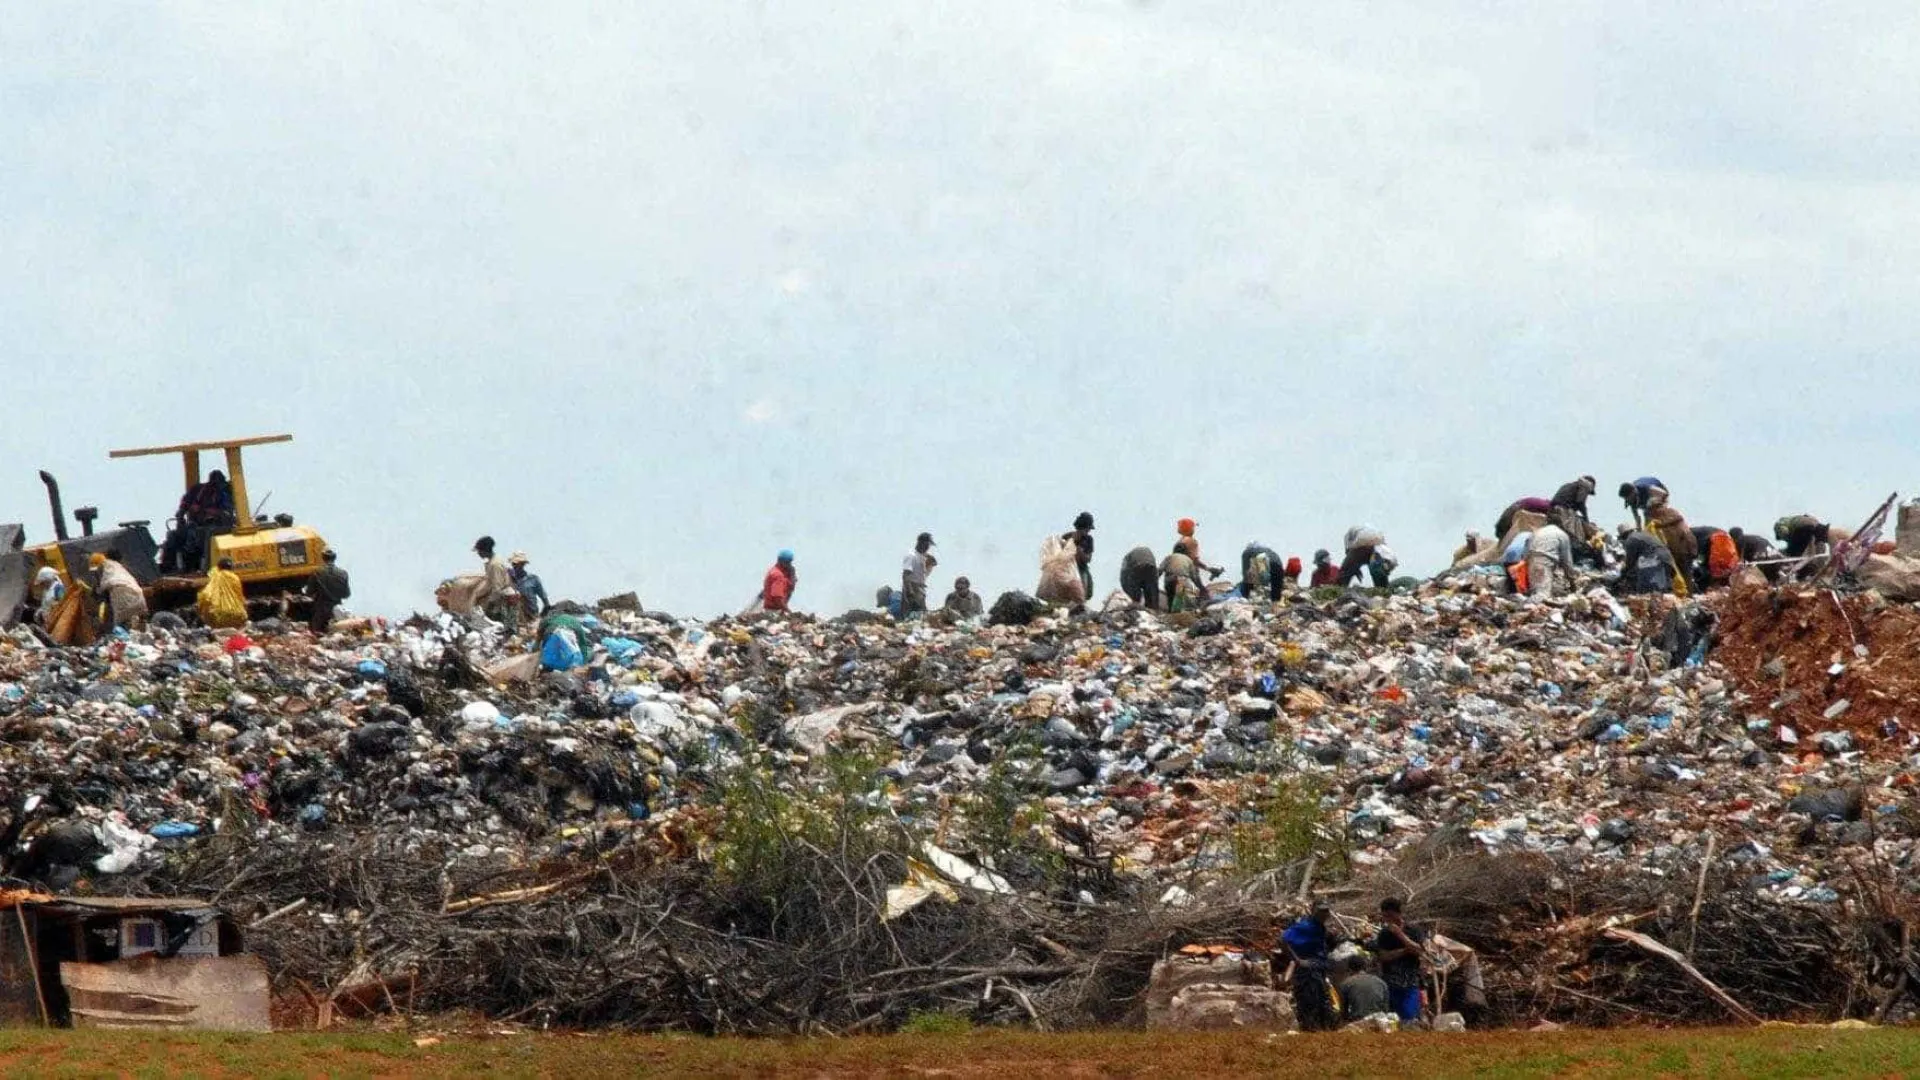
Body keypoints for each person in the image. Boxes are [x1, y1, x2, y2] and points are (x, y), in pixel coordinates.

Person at [1279, 901, 1346, 1032]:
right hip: (1308, 971)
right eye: (1320, 911)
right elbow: (1283, 939)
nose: (1323, 914)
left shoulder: (1319, 927)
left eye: (1326, 911)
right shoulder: (1305, 926)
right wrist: (1298, 960)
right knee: (1309, 1004)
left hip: (1319, 969)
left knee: (1322, 1003)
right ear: (1313, 910)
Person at [159, 470, 236, 573]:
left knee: (194, 536)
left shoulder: (225, 493)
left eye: (216, 482)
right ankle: (167, 568)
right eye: (212, 481)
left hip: (217, 526)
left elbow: (226, 512)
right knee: (173, 536)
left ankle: (193, 567)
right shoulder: (199, 490)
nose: (213, 485)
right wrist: (182, 512)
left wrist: (203, 510)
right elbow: (186, 502)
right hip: (197, 524)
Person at [1372, 898, 1429, 1025]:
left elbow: (1419, 951)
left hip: (1410, 982)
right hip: (1391, 982)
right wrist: (1404, 951)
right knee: (1392, 1019)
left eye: (1390, 916)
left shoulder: (1413, 930)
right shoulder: (1384, 934)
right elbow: (1383, 956)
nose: (1388, 920)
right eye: (1385, 916)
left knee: (1409, 1018)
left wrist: (1400, 935)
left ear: (1398, 913)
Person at [1645, 496, 1696, 598]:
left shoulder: (1670, 512)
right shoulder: (1657, 519)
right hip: (1674, 551)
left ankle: (1689, 597)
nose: (1651, 512)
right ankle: (1683, 596)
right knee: (1677, 575)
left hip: (1684, 548)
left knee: (1685, 573)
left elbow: (1677, 520)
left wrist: (1659, 525)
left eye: (1652, 509)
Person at [470, 536, 520, 628]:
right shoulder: (494, 561)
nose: (478, 554)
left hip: (502, 603)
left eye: (479, 551)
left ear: (484, 550)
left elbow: (497, 588)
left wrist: (489, 605)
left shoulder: (494, 565)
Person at [91, 552, 147, 632]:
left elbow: (103, 588)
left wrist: (97, 591)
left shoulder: (107, 571)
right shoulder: (122, 569)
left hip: (122, 604)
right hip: (139, 600)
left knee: (122, 626)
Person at [1617, 526, 1677, 596]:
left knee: (1654, 587)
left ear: (1624, 535)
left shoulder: (1631, 540)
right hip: (1666, 557)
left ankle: (1661, 602)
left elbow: (1630, 561)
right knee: (1665, 584)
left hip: (1656, 559)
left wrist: (1623, 573)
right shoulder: (1643, 534)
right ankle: (1670, 602)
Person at [1337, 954, 1391, 1025]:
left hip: (1357, 1022)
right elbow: (1386, 1009)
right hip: (1378, 1022)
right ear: (1365, 967)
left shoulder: (1346, 983)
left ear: (1349, 969)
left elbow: (1343, 1012)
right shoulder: (1381, 982)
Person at [1526, 522, 1575, 599]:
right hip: (1544, 562)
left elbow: (1527, 548)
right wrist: (1572, 581)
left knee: (1535, 590)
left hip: (1531, 561)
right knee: (1543, 595)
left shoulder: (1538, 531)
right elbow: (1567, 561)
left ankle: (1530, 606)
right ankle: (1526, 607)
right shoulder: (1562, 534)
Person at [195, 557, 248, 629]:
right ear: (231, 567)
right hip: (238, 615)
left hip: (218, 617)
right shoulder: (235, 578)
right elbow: (240, 597)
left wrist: (200, 609)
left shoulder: (215, 577)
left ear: (218, 567)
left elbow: (206, 595)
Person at [307, 548, 351, 633]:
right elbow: (346, 594)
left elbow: (309, 592)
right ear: (335, 558)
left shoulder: (316, 572)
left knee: (316, 633)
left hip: (321, 610)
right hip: (337, 610)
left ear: (323, 558)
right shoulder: (343, 573)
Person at [901, 532, 936, 618]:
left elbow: (923, 574)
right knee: (911, 614)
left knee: (921, 615)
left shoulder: (923, 557)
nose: (928, 547)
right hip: (912, 588)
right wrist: (911, 592)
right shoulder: (911, 556)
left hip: (920, 589)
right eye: (927, 544)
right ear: (921, 542)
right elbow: (906, 576)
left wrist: (930, 564)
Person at [1159, 546, 1204, 612]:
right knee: (1192, 594)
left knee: (1171, 598)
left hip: (1169, 581)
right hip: (1182, 580)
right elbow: (1194, 577)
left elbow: (1160, 570)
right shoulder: (1188, 559)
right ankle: (1191, 610)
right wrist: (1199, 588)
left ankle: (1171, 612)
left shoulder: (1168, 557)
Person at [1064, 513, 1096, 601]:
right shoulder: (1067, 537)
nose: (1089, 530)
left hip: (1082, 568)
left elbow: (1088, 559)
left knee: (1088, 593)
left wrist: (1079, 550)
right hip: (1067, 569)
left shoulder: (1089, 540)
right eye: (1087, 528)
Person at [510, 552, 550, 618]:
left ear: (523, 564)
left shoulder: (533, 579)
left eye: (517, 564)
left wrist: (540, 617)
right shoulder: (508, 579)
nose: (514, 566)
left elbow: (545, 601)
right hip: (513, 618)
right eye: (513, 564)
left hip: (531, 616)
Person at [1120, 547, 1161, 611]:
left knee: (1135, 595)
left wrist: (1131, 594)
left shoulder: (1127, 558)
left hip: (1137, 567)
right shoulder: (1140, 553)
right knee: (1152, 594)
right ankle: (1153, 611)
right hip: (1151, 567)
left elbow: (1123, 579)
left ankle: (1136, 608)